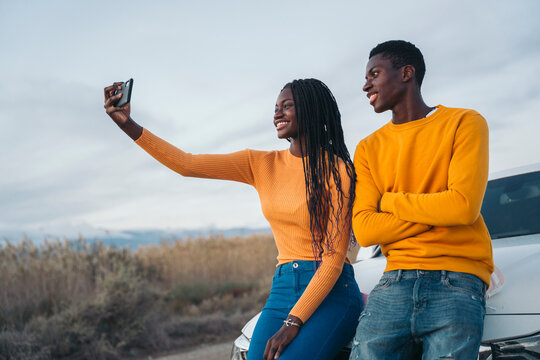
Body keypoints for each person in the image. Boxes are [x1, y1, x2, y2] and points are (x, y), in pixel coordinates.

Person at [103, 78, 362, 360]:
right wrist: (126, 124)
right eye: (276, 107)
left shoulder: (339, 172)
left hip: (331, 292)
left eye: (287, 106)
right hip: (284, 287)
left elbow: (334, 258)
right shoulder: (261, 163)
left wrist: (293, 322)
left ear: (312, 110)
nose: (277, 113)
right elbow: (186, 164)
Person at [349, 40, 494, 359]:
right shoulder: (368, 148)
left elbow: (463, 207)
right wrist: (441, 210)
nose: (365, 85)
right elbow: (366, 230)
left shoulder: (464, 123)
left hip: (458, 279)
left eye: (374, 73)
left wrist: (389, 202)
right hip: (393, 281)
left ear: (407, 73)